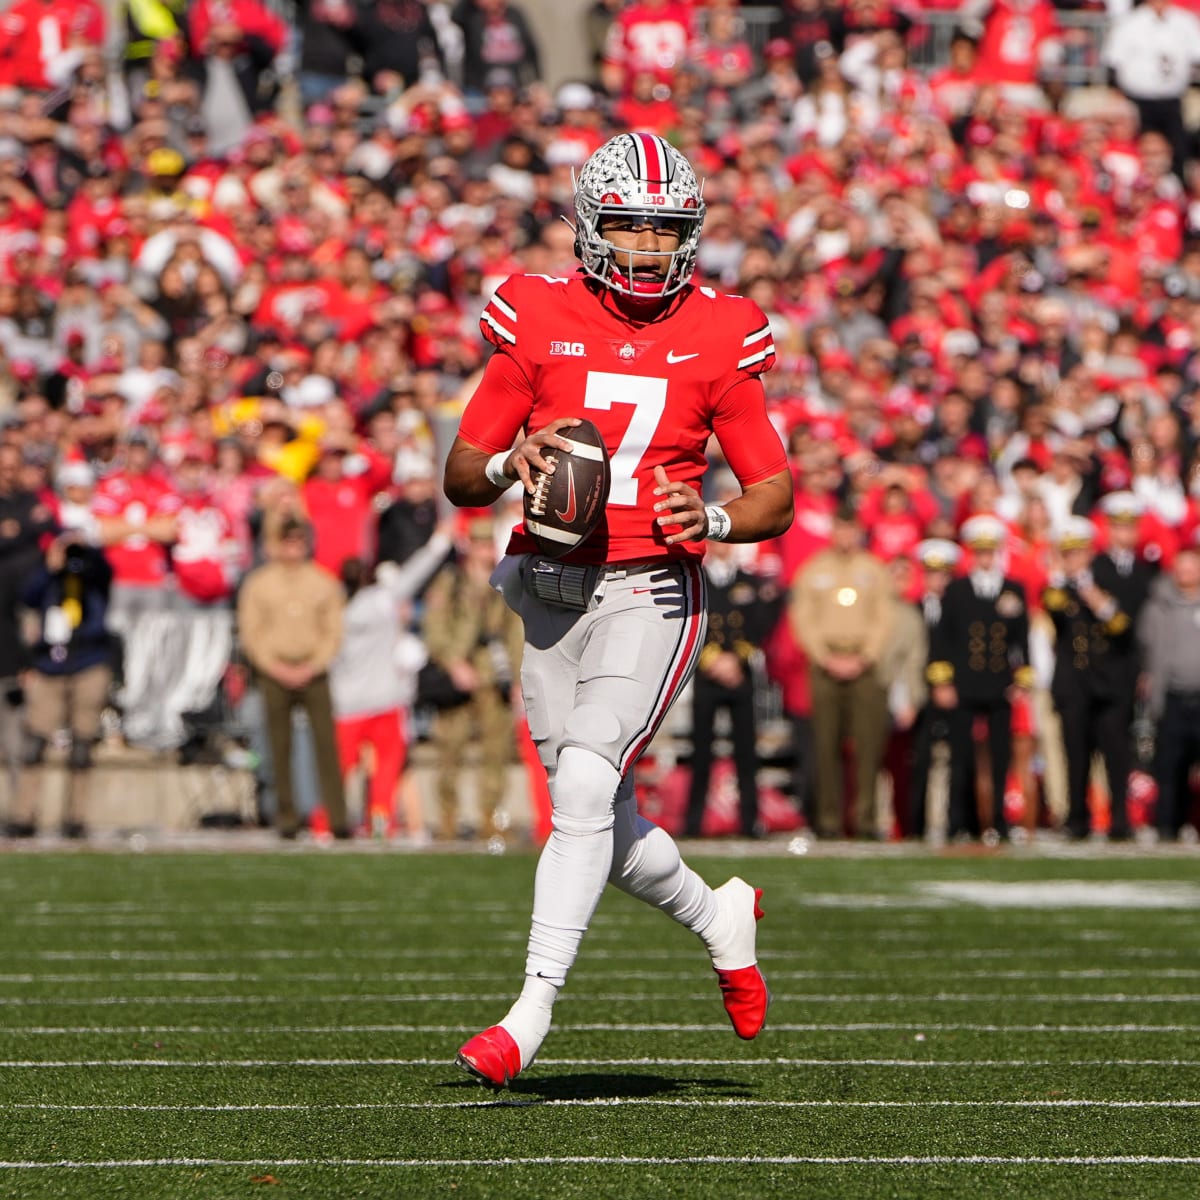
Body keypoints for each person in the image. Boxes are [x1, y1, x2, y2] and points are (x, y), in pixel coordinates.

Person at [441, 132, 793, 1089]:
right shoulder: (536, 312)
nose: (646, 247)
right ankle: (718, 915)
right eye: (630, 225)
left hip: (653, 587)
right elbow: (461, 474)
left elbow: (776, 493)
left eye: (665, 229)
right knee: (592, 810)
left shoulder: (724, 332)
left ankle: (530, 1012)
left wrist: (713, 513)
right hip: (550, 589)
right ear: (590, 229)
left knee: (589, 789)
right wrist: (511, 463)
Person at [236, 515, 349, 840]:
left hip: (313, 670)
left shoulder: (323, 582)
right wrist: (274, 667)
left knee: (326, 745)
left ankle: (336, 817)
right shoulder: (260, 583)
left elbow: (334, 631)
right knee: (278, 745)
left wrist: (314, 665)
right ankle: (286, 817)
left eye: (299, 541)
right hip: (275, 670)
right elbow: (251, 632)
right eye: (287, 541)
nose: (293, 548)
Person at [791, 503, 893, 838]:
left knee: (868, 747)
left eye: (851, 529)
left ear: (859, 531)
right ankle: (829, 820)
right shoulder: (814, 569)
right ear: (832, 531)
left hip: (864, 665)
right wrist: (825, 657)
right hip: (826, 664)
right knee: (825, 745)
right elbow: (802, 618)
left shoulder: (874, 569)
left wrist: (865, 657)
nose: (845, 535)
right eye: (840, 528)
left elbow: (884, 617)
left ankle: (865, 820)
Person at [929, 515, 1032, 843]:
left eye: (991, 551)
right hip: (965, 684)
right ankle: (957, 820)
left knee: (1001, 758)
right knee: (960, 757)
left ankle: (998, 821)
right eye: (980, 551)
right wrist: (942, 681)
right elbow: (942, 639)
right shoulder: (957, 590)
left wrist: (1022, 680)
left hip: (1000, 685)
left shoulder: (1013, 589)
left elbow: (1022, 640)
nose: (986, 558)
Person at [420, 517, 524, 843]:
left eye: (487, 543)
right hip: (459, 675)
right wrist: (452, 664)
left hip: (494, 676)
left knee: (495, 752)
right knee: (450, 750)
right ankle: (448, 817)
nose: (484, 550)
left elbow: (515, 631)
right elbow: (434, 627)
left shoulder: (504, 581)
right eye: (478, 543)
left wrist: (518, 677)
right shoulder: (451, 582)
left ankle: (489, 817)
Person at [1044, 517, 1143, 840]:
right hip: (1075, 683)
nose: (1074, 559)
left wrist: (1093, 594)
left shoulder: (1110, 577)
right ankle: (1076, 818)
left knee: (1115, 753)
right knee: (1076, 753)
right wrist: (1066, 582)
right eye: (1068, 553)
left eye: (1079, 552)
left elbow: (1121, 627)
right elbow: (1053, 609)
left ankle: (1119, 819)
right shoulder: (1059, 587)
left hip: (1110, 682)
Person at [11, 532, 114, 839]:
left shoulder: (93, 574)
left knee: (82, 744)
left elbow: (106, 573)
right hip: (49, 664)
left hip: (89, 661)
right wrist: (51, 564)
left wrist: (87, 548)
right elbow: (27, 597)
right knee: (34, 744)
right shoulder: (49, 577)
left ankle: (75, 816)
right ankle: (23, 813)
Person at [684, 535, 780, 839]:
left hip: (740, 674)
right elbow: (689, 620)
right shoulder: (696, 579)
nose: (722, 545)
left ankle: (750, 821)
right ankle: (693, 822)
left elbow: (760, 623)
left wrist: (737, 659)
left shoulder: (749, 582)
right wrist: (711, 658)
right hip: (707, 673)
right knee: (701, 750)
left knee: (746, 751)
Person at [1138, 542, 1200, 841]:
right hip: (1173, 696)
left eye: (1191, 566)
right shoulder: (1158, 605)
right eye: (1181, 566)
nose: (1185, 572)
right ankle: (1167, 827)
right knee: (1170, 767)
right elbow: (1148, 649)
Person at [909, 537, 960, 839]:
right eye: (931, 573)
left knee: (958, 760)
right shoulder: (912, 607)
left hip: (954, 694)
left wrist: (946, 682)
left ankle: (955, 823)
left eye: (943, 574)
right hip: (921, 695)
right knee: (920, 760)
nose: (937, 580)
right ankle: (915, 825)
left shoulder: (960, 607)